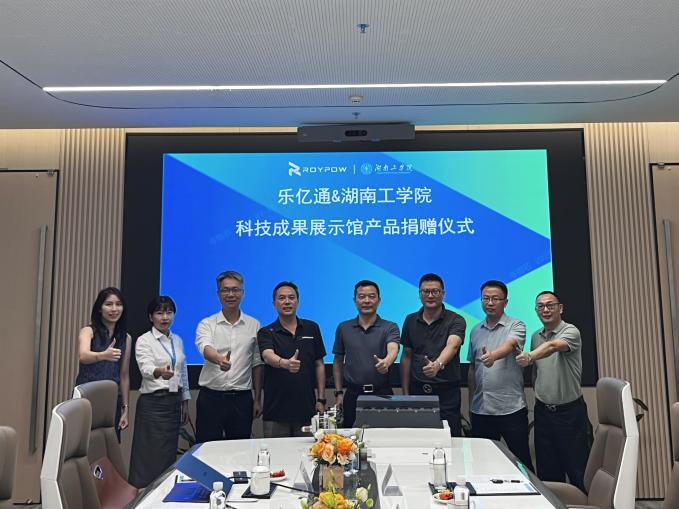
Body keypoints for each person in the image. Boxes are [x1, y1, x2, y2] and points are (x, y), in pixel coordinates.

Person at [516, 291, 591, 491]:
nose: (546, 310)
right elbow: (536, 374)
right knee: (548, 472)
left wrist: (529, 356)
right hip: (543, 414)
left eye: (550, 305)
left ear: (560, 308)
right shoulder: (535, 336)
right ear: (536, 311)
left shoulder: (571, 331)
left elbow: (553, 346)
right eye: (541, 306)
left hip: (569, 414)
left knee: (578, 471)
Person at [467, 280, 533, 471]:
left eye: (495, 298)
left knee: (521, 463)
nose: (490, 303)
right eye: (486, 298)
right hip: (481, 410)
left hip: (510, 409)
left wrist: (493, 357)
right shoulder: (475, 330)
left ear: (505, 302)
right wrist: (471, 403)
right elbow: (472, 367)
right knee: (482, 465)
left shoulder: (516, 325)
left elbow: (510, 345)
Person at [129, 296, 190, 488]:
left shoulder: (177, 340)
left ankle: (164, 491)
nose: (165, 317)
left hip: (174, 402)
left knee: (168, 453)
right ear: (151, 317)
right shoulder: (144, 340)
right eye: (159, 313)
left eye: (169, 312)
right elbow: (145, 368)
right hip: (154, 404)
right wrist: (159, 372)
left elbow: (183, 372)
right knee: (148, 453)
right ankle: (143, 493)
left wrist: (185, 401)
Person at [194, 271, 263, 442]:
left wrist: (257, 399)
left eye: (235, 290)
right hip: (211, 398)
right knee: (206, 449)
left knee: (240, 450)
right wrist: (219, 359)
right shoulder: (207, 324)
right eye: (225, 290)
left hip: (242, 399)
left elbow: (256, 364)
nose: (231, 294)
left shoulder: (254, 325)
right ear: (218, 294)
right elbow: (205, 347)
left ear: (242, 293)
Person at [257, 282, 326, 437]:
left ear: (297, 301)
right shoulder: (266, 332)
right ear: (274, 303)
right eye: (282, 298)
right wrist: (285, 364)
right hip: (275, 411)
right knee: (275, 452)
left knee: (309, 452)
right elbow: (267, 355)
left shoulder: (312, 328)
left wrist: (321, 399)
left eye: (291, 298)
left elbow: (319, 364)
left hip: (307, 410)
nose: (287, 302)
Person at [400, 273, 466, 436]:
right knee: (417, 439)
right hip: (417, 391)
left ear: (443, 294)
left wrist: (438, 364)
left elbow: (453, 345)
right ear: (419, 294)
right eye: (426, 291)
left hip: (447, 392)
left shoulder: (456, 320)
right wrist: (405, 393)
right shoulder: (410, 320)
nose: (430, 295)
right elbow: (406, 356)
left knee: (451, 438)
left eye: (435, 291)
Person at [333, 280, 400, 427]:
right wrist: (338, 393)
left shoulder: (390, 327)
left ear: (379, 300)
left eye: (371, 296)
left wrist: (387, 362)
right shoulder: (344, 328)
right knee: (350, 437)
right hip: (353, 395)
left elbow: (393, 348)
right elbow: (338, 361)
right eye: (362, 296)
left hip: (382, 394)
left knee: (385, 437)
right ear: (355, 301)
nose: (367, 300)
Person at [75, 287, 131, 441]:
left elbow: (124, 375)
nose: (114, 309)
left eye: (118, 304)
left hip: (112, 399)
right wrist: (103, 355)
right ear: (100, 308)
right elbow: (83, 355)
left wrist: (125, 408)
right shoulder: (88, 331)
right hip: (88, 396)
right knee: (86, 443)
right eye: (108, 304)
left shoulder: (126, 338)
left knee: (109, 444)